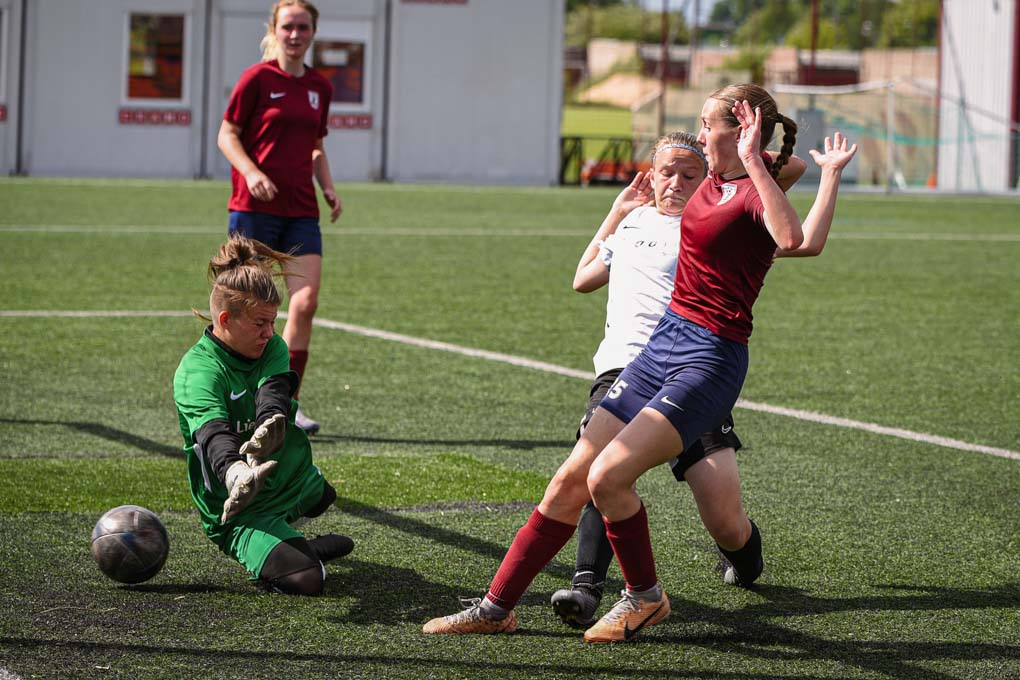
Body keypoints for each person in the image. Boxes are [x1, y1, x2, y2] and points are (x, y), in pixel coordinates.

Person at [422, 83, 857, 642]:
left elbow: (797, 238)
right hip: (659, 347)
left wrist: (764, 155)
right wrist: (642, 198)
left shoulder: (753, 191)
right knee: (569, 481)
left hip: (708, 359)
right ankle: (495, 608)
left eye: (708, 125)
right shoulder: (711, 181)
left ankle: (645, 598)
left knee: (609, 477)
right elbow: (769, 165)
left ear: (738, 133)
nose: (699, 136)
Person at [549, 130, 857, 629]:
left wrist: (737, 151)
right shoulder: (633, 224)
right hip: (625, 370)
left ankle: (744, 559)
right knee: (600, 471)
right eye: (666, 173)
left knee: (725, 521)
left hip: (693, 372)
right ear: (651, 177)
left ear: (709, 177)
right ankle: (586, 587)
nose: (675, 182)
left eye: (690, 174)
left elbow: (794, 180)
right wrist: (617, 211)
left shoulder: (721, 223)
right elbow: (582, 279)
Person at [173, 235, 353, 595]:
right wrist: (236, 474)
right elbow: (213, 433)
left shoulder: (272, 346)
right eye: (259, 324)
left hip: (287, 476)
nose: (270, 333)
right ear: (225, 319)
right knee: (307, 580)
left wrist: (271, 422)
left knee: (323, 497)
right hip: (239, 508)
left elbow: (273, 394)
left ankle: (291, 538)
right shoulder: (198, 372)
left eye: (273, 322)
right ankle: (302, 552)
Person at [217, 0, 342, 435]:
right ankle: (236, 398)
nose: (295, 34)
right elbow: (226, 134)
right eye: (288, 26)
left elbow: (316, 147)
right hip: (253, 210)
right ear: (274, 29)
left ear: (313, 32)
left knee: (304, 304)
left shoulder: (319, 87)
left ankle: (282, 405)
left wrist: (328, 187)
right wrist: (251, 173)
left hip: (301, 210)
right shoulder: (256, 79)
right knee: (249, 307)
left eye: (303, 27)